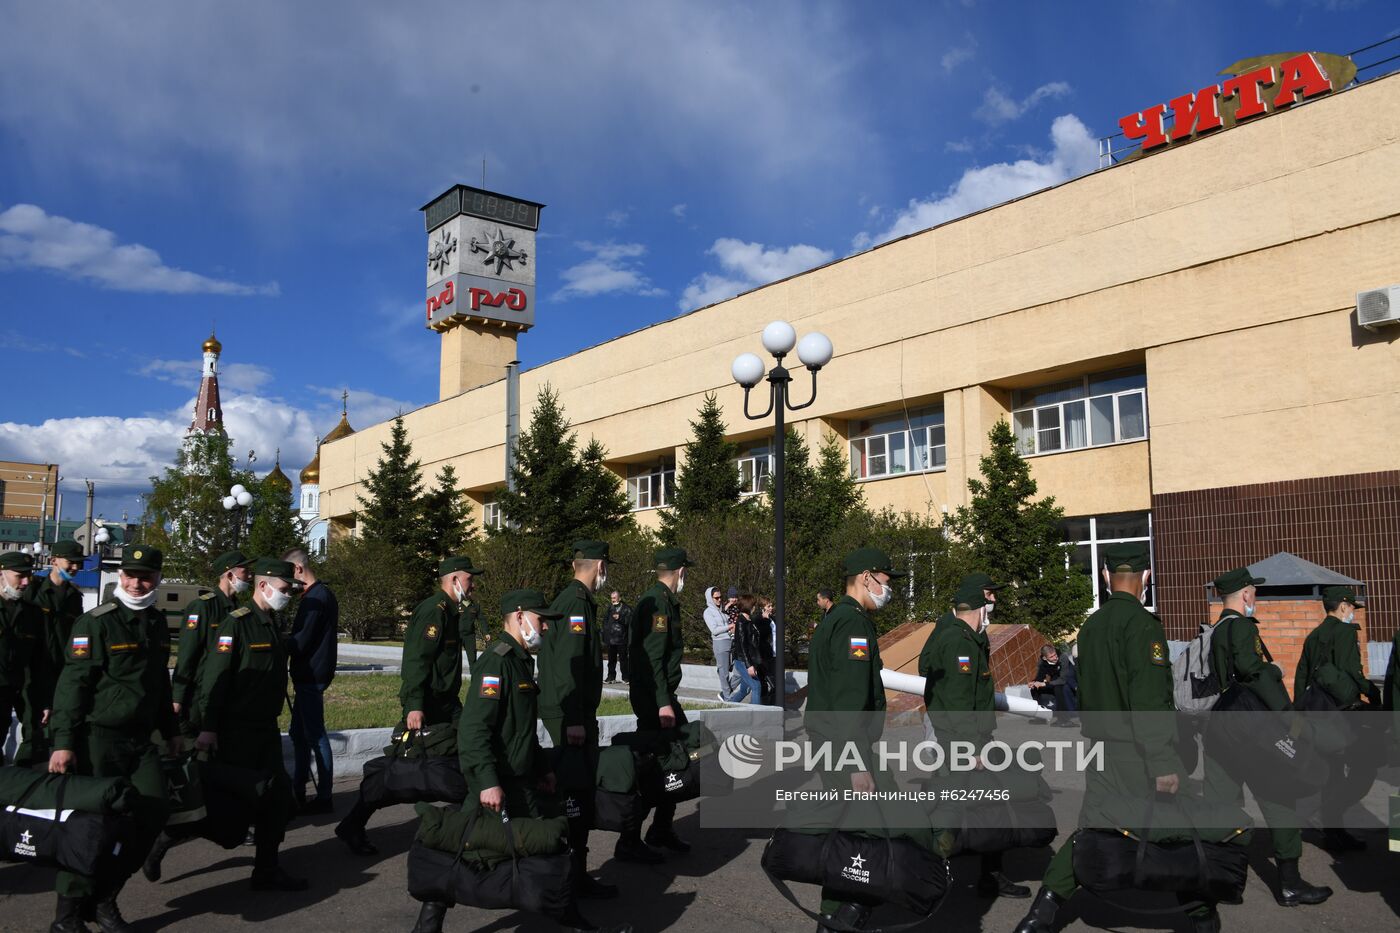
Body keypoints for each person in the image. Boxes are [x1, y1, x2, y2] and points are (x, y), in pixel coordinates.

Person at [1014, 543, 1214, 933]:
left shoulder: (1091, 627)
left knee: (1096, 825)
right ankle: (1201, 914)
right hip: (1139, 750)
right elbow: (1149, 699)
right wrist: (1161, 760)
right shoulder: (1142, 625)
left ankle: (1042, 913)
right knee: (1182, 826)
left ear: (1105, 579)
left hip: (1100, 746)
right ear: (1147, 578)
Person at [412, 589, 625, 933]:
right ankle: (428, 923)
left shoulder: (520, 660)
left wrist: (542, 768)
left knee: (553, 843)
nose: (546, 627)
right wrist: (486, 782)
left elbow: (521, 730)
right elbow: (474, 730)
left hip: (522, 778)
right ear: (520, 616)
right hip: (499, 781)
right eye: (541, 620)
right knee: (463, 845)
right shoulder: (497, 662)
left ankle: (567, 912)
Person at [48, 546, 181, 933]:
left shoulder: (156, 623)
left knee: (153, 810)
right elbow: (73, 685)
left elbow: (157, 683)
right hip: (97, 739)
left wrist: (171, 732)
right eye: (129, 575)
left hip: (139, 741)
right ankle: (67, 918)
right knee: (90, 829)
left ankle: (104, 897)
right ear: (119, 576)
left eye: (145, 576)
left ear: (157, 578)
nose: (136, 583)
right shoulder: (97, 623)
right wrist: (62, 741)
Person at [336, 554, 481, 855]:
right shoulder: (435, 611)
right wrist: (415, 704)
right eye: (470, 578)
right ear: (454, 579)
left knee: (471, 748)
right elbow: (417, 660)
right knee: (402, 766)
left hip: (446, 702)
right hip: (426, 702)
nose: (474, 584)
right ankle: (353, 822)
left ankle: (472, 826)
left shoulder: (453, 611)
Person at [1203, 566, 1331, 907]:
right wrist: (1287, 711)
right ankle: (1290, 883)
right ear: (1245, 594)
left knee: (1223, 803)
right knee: (1278, 797)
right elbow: (1251, 670)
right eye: (1254, 591)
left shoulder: (1215, 631)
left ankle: (1220, 879)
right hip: (1253, 729)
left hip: (1220, 727)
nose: (1255, 597)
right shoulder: (1243, 627)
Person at [187, 557, 307, 891]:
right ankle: (169, 836)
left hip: (265, 729)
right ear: (264, 586)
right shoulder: (236, 624)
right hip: (235, 731)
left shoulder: (271, 622)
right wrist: (208, 727)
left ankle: (266, 869)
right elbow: (215, 679)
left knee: (278, 799)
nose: (287, 595)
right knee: (229, 813)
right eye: (283, 589)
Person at [804, 547, 904, 932]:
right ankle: (839, 918)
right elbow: (848, 700)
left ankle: (839, 916)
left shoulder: (839, 618)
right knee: (862, 835)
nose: (888, 588)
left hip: (835, 743)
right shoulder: (852, 624)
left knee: (855, 832)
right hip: (843, 747)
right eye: (886, 580)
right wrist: (856, 765)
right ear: (867, 578)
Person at [922, 574, 1031, 899]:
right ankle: (923, 873)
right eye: (988, 596)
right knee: (951, 811)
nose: (992, 602)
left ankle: (989, 875)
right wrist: (969, 748)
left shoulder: (971, 635)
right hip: (963, 741)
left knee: (988, 807)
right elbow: (957, 698)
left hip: (974, 738)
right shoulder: (956, 637)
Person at [541, 540, 617, 899]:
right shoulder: (575, 602)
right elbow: (570, 664)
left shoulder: (578, 600)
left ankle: (576, 874)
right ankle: (567, 879)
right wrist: (573, 718)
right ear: (599, 566)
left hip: (573, 711)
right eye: (608, 568)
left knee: (578, 793)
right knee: (573, 796)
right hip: (569, 713)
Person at [618, 546, 693, 862]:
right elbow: (652, 657)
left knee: (677, 759)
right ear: (680, 572)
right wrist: (663, 703)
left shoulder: (663, 601)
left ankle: (661, 828)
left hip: (660, 697)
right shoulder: (660, 604)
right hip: (655, 700)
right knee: (654, 767)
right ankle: (630, 839)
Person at [1293, 585, 1380, 852]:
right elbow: (1352, 672)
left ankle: (1334, 831)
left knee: (1332, 773)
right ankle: (1331, 818)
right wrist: (1372, 693)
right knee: (1365, 768)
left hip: (1319, 715)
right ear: (1342, 606)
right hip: (1345, 715)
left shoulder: (1314, 636)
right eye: (1352, 606)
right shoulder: (1344, 632)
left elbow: (1301, 678)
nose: (1353, 611)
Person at [170, 550, 251, 733]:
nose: (249, 576)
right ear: (230, 574)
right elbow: (187, 654)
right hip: (201, 692)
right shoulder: (203, 607)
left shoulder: (239, 609)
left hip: (229, 691)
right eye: (245, 571)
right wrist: (178, 697)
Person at [21, 540, 86, 765]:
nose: (75, 568)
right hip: (33, 671)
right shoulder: (33, 589)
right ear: (53, 561)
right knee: (33, 730)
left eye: (79, 564)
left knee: (57, 728)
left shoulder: (74, 598)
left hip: (60, 671)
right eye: (71, 562)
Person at [284, 547, 338, 813]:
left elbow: (301, 640)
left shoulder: (315, 598)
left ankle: (324, 796)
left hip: (311, 675)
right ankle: (298, 790)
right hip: (311, 674)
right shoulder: (319, 594)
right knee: (299, 734)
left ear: (297, 569)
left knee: (315, 735)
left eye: (288, 575)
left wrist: (276, 643)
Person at [1, 550, 40, 765]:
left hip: (12, 695)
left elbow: (37, 659)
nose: (26, 582)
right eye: (19, 576)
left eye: (29, 576)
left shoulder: (31, 614)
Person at [721, 594, 764, 705]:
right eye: (753, 605)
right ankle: (755, 716)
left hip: (750, 660)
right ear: (748, 606)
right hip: (743, 661)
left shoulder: (749, 620)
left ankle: (729, 707)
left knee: (745, 690)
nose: (755, 607)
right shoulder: (741, 622)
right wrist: (749, 665)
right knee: (756, 686)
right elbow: (742, 647)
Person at [1029, 644, 1079, 726]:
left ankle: (1064, 720)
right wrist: (1034, 682)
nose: (1055, 658)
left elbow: (1063, 679)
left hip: (1068, 680)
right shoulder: (1042, 662)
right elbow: (1040, 676)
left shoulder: (1063, 657)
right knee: (1034, 689)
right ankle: (1041, 717)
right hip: (1055, 680)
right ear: (1045, 658)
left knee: (1059, 688)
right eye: (1051, 657)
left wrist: (1044, 684)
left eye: (1055, 655)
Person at [703, 584, 735, 697]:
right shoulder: (708, 612)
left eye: (720, 597)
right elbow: (715, 630)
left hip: (730, 642)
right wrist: (730, 627)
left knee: (738, 673)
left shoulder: (722, 611)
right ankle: (727, 696)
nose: (719, 599)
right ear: (710, 598)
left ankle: (725, 692)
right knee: (724, 672)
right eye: (716, 598)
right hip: (720, 643)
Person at [601, 589, 630, 684]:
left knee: (623, 659)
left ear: (619, 598)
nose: (613, 600)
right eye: (611, 598)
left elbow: (630, 622)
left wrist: (620, 618)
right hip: (611, 638)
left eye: (614, 598)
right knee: (611, 660)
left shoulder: (626, 608)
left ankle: (625, 677)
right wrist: (605, 632)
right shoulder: (609, 608)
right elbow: (605, 621)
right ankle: (610, 677)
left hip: (622, 638)